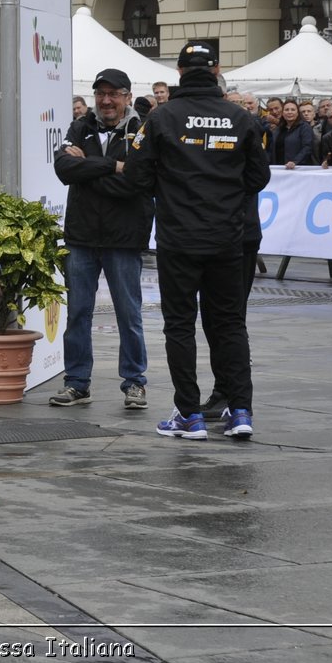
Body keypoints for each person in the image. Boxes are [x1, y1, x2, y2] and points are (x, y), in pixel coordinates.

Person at [125, 41, 270, 441]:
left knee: (180, 326)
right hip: (227, 238)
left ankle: (189, 414)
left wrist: (174, 187)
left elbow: (135, 176)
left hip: (179, 238)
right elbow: (259, 178)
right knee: (229, 324)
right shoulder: (241, 118)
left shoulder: (161, 117)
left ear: (179, 72)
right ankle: (240, 410)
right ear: (217, 69)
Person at [49, 68, 153, 411]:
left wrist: (89, 168)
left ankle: (135, 382)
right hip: (82, 236)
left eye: (113, 94)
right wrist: (112, 166)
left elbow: (137, 180)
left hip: (124, 237)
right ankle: (77, 383)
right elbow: (64, 169)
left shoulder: (142, 128)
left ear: (126, 95)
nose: (106, 100)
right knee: (78, 312)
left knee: (129, 313)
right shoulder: (81, 126)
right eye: (100, 94)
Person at [270, 99, 316, 169]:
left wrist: (295, 161)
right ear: (282, 113)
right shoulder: (278, 129)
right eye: (287, 110)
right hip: (279, 168)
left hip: (298, 168)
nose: (289, 112)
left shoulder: (304, 127)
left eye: (293, 110)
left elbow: (307, 147)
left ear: (297, 113)